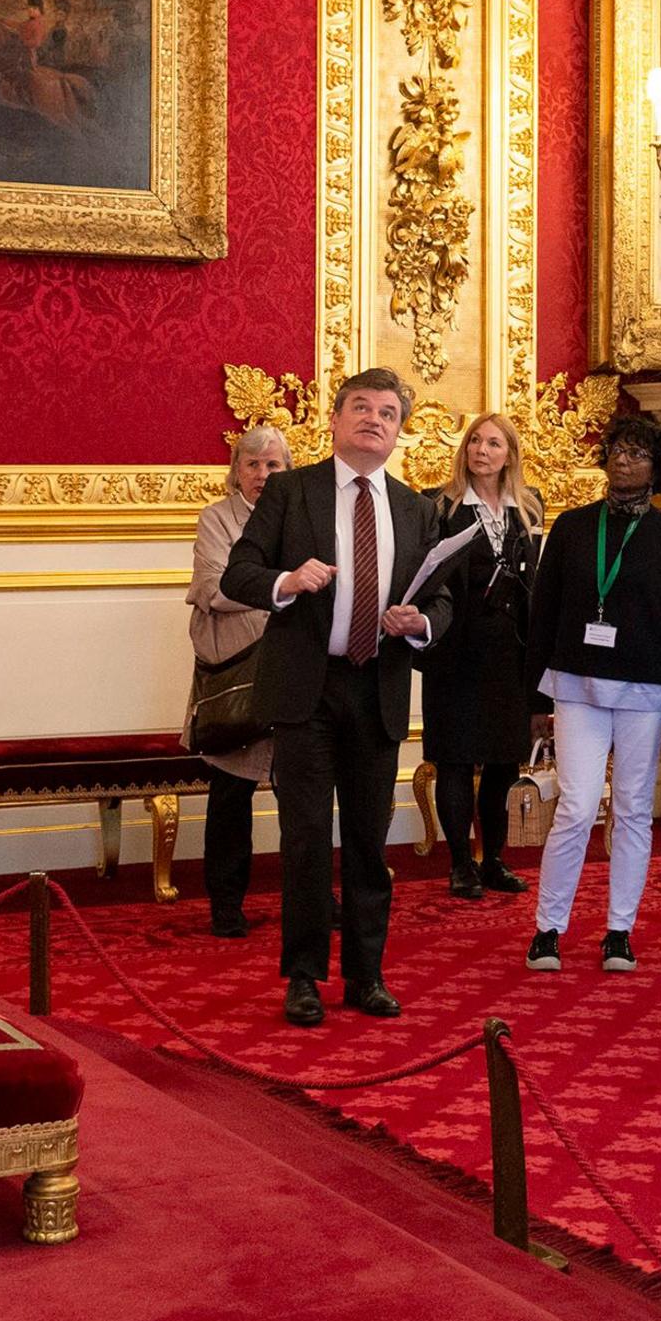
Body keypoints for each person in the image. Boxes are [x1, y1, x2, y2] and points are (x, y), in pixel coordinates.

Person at [219, 369, 460, 1029]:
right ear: (334, 419)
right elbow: (238, 572)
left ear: (399, 431)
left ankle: (366, 975)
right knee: (303, 840)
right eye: (361, 407)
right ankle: (302, 978)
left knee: (366, 840)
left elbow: (438, 596)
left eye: (388, 412)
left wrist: (423, 623)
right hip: (307, 687)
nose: (374, 420)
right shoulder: (291, 491)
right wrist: (287, 580)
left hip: (378, 687)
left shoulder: (416, 507)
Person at [522, 414, 661, 972]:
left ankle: (619, 930)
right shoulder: (573, 528)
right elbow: (543, 614)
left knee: (631, 810)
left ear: (658, 469)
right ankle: (548, 929)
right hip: (575, 684)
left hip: (647, 693)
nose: (623, 461)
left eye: (637, 454)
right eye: (616, 451)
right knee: (576, 807)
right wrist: (534, 701)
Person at [423, 414, 541, 902]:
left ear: (509, 454)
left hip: (509, 655)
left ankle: (493, 859)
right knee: (453, 758)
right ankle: (459, 864)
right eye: (475, 440)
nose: (482, 450)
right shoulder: (439, 504)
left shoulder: (527, 506)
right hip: (455, 649)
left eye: (494, 443)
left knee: (502, 762)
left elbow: (535, 583)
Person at [186, 425, 291, 939]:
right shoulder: (217, 519)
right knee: (232, 794)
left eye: (274, 465)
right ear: (235, 472)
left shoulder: (303, 516)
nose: (263, 475)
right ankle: (226, 902)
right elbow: (213, 587)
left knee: (304, 793)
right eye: (253, 465)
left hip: (295, 671)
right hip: (237, 677)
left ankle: (312, 894)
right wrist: (284, 586)